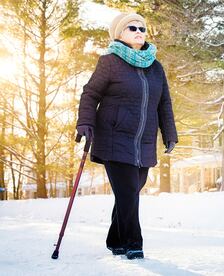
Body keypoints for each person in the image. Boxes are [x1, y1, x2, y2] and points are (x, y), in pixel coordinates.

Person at [76, 12, 178, 260]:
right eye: (132, 28)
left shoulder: (155, 67)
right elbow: (90, 94)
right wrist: (85, 123)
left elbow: (164, 103)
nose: (139, 32)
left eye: (142, 28)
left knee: (130, 192)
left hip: (143, 143)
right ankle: (133, 242)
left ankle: (115, 240)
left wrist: (170, 133)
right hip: (113, 137)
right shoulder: (110, 62)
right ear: (119, 34)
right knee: (128, 190)